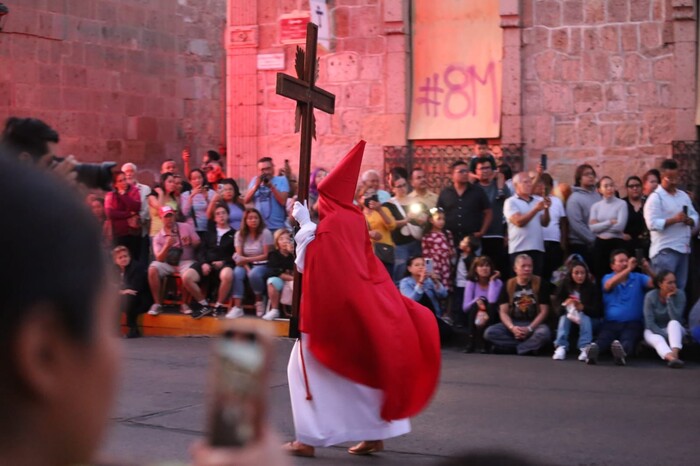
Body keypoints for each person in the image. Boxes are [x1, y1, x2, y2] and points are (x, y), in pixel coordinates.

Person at [283, 141, 440, 458]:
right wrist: (311, 228)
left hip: (329, 315)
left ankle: (307, 440)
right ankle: (374, 435)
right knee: (356, 374)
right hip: (355, 308)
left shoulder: (333, 225)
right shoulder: (353, 218)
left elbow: (309, 263)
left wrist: (304, 226)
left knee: (302, 372)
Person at [584, 250, 653, 366]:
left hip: (633, 322)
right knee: (604, 339)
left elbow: (656, 283)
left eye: (626, 261)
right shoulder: (607, 277)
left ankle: (620, 356)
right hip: (611, 322)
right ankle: (593, 353)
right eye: (621, 261)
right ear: (612, 266)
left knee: (627, 339)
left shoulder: (638, 277)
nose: (625, 263)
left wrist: (647, 269)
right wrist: (628, 269)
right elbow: (608, 285)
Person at [643, 159, 698, 291]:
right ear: (662, 177)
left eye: (676, 178)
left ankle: (677, 312)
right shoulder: (655, 198)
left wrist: (690, 221)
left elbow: (695, 215)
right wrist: (674, 220)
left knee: (679, 289)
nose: (674, 182)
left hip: (683, 249)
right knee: (664, 288)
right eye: (670, 178)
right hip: (665, 250)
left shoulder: (683, 196)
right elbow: (652, 223)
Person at [483, 254, 551, 355]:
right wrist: (512, 328)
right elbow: (503, 312)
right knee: (490, 333)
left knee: (544, 333)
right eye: (523, 266)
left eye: (530, 266)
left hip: (533, 324)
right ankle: (527, 348)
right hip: (513, 323)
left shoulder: (540, 283)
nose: (527, 269)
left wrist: (529, 329)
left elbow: (544, 311)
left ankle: (513, 349)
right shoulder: (508, 284)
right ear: (515, 269)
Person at [182, 203, 236, 319]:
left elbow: (235, 255)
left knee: (228, 274)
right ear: (214, 218)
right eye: (218, 214)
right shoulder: (208, 233)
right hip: (206, 263)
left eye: (223, 213)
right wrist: (204, 263)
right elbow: (201, 251)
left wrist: (224, 262)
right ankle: (204, 305)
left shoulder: (235, 234)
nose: (221, 216)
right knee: (187, 277)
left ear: (228, 215)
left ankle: (218, 305)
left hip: (224, 264)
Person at [146, 206, 201, 316]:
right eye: (166, 217)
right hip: (167, 263)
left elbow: (198, 242)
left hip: (186, 261)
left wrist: (190, 242)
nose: (169, 219)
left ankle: (184, 303)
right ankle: (157, 304)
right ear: (161, 218)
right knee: (152, 269)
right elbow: (159, 258)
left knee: (187, 272)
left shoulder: (186, 227)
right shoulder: (158, 237)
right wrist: (167, 245)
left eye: (171, 216)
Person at [227, 208, 273, 319]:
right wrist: (247, 268)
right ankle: (238, 307)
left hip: (263, 263)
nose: (253, 220)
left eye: (256, 218)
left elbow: (267, 255)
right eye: (250, 218)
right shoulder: (239, 234)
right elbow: (239, 256)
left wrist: (246, 261)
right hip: (245, 264)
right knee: (237, 273)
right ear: (245, 220)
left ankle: (259, 301)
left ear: (260, 220)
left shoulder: (265, 232)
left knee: (254, 274)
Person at [437, 159, 492, 252]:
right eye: (461, 171)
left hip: (472, 241)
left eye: (467, 171)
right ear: (452, 175)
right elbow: (438, 213)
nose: (465, 174)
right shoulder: (445, 193)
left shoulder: (477, 191)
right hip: (451, 240)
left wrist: (482, 232)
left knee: (473, 265)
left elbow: (488, 212)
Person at [551, 260, 601, 361]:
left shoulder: (592, 287)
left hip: (589, 321)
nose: (580, 276)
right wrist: (565, 304)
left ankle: (585, 347)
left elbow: (598, 311)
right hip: (570, 318)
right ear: (571, 274)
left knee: (583, 315)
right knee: (565, 316)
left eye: (582, 273)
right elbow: (557, 310)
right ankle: (561, 346)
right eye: (576, 273)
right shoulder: (565, 286)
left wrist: (583, 308)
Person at [503, 172, 551, 276]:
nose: (529, 184)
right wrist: (535, 209)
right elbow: (519, 222)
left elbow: (545, 223)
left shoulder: (537, 200)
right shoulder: (510, 202)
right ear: (516, 186)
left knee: (536, 282)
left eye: (530, 181)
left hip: (537, 247)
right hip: (519, 248)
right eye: (525, 182)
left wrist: (547, 209)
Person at [400, 256, 451, 342]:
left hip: (432, 316)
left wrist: (436, 281)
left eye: (423, 265)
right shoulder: (405, 282)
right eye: (417, 265)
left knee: (447, 332)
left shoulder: (429, 280)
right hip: (415, 318)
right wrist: (420, 282)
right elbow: (411, 301)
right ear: (409, 268)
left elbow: (443, 295)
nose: (421, 267)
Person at [475, 156, 510, 277]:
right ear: (476, 171)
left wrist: (507, 234)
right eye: (481, 168)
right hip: (479, 236)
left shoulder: (500, 187)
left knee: (497, 270)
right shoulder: (474, 188)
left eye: (487, 168)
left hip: (497, 235)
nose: (484, 171)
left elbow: (510, 209)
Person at [385, 175, 424, 283]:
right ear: (393, 188)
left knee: (417, 271)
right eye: (399, 186)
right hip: (399, 244)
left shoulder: (415, 201)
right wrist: (406, 220)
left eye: (404, 185)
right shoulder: (389, 205)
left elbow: (424, 218)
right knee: (400, 271)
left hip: (415, 241)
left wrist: (421, 218)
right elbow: (390, 224)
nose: (402, 188)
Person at [643, 271, 686, 368]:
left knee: (673, 323)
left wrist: (669, 300)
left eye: (674, 282)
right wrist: (665, 335)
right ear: (660, 284)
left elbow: (676, 318)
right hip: (654, 328)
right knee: (658, 339)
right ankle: (672, 359)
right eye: (669, 283)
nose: (673, 285)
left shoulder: (680, 295)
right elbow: (649, 322)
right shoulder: (650, 296)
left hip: (675, 330)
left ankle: (675, 353)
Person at [589, 176, 628, 281]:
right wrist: (609, 222)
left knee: (618, 276)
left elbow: (620, 226)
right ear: (599, 190)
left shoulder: (621, 204)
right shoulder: (595, 206)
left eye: (611, 185)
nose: (609, 188)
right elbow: (592, 228)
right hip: (600, 245)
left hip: (616, 243)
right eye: (606, 186)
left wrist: (600, 225)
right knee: (600, 276)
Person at [462, 256, 503, 353]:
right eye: (481, 266)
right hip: (475, 313)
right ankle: (471, 342)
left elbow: (492, 301)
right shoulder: (471, 283)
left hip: (492, 314)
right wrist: (477, 299)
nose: (484, 268)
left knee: (487, 304)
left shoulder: (498, 282)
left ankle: (486, 343)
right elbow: (465, 307)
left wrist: (492, 281)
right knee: (476, 305)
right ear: (475, 269)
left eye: (487, 266)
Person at [566, 164, 601, 267]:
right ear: (579, 179)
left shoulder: (598, 196)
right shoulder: (574, 198)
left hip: (598, 243)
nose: (590, 176)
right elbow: (576, 224)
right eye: (586, 174)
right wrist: (594, 239)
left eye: (592, 174)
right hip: (581, 245)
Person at [113, 246, 151, 339]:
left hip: (140, 299)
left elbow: (135, 287)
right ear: (115, 260)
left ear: (129, 257)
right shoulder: (114, 269)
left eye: (125, 256)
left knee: (128, 297)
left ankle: (133, 328)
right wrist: (122, 291)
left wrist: (119, 290)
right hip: (123, 297)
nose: (123, 259)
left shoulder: (137, 267)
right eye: (120, 257)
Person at [244, 157, 290, 233]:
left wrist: (271, 186)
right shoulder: (255, 181)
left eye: (267, 168)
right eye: (262, 170)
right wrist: (256, 186)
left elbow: (283, 201)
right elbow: (246, 200)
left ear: (273, 168)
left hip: (277, 227)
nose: (265, 172)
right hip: (259, 227)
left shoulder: (282, 180)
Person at [105, 170, 143, 261]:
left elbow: (136, 207)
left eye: (124, 179)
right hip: (118, 234)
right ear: (115, 184)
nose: (124, 182)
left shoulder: (134, 191)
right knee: (119, 260)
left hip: (133, 232)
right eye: (120, 181)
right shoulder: (110, 195)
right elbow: (110, 213)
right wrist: (129, 214)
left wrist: (124, 195)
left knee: (134, 259)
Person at [361, 187, 397, 275]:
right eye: (367, 194)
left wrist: (379, 210)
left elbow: (392, 226)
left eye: (373, 194)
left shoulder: (384, 209)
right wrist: (369, 234)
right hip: (368, 254)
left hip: (384, 252)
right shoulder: (359, 214)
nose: (370, 197)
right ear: (361, 198)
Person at [262, 229, 295, 321]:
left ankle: (297, 312)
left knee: (295, 285)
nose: (285, 241)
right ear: (277, 242)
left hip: (293, 280)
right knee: (271, 281)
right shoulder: (273, 254)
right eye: (281, 239)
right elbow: (274, 271)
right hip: (283, 279)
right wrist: (291, 277)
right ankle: (274, 310)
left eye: (287, 239)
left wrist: (292, 253)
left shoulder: (296, 253)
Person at [421, 208, 456, 295]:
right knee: (436, 288)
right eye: (438, 219)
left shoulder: (447, 233)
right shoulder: (427, 236)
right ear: (431, 220)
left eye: (443, 219)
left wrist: (451, 254)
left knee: (447, 289)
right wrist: (429, 271)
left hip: (446, 266)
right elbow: (426, 256)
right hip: (435, 266)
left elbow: (452, 250)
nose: (442, 222)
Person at [122, 162, 152, 260]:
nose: (129, 174)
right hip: (124, 231)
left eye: (131, 171)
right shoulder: (118, 190)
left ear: (136, 173)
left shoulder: (145, 189)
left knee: (141, 259)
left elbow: (147, 208)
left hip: (141, 229)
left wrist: (138, 218)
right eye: (126, 172)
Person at [451, 235, 479, 328]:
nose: (461, 242)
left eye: (464, 241)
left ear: (468, 248)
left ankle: (463, 322)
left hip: (466, 285)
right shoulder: (460, 255)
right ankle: (458, 320)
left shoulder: (472, 259)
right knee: (457, 302)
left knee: (462, 302)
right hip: (458, 283)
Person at [180, 168, 216, 242]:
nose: (197, 181)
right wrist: (191, 196)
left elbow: (214, 212)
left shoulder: (211, 193)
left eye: (199, 178)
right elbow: (184, 213)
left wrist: (206, 197)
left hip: (208, 228)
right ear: (190, 181)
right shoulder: (185, 195)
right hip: (193, 229)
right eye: (194, 179)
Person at [622, 175, 650, 258]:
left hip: (645, 243)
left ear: (642, 187)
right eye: (631, 186)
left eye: (637, 186)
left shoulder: (648, 202)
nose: (635, 188)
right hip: (626, 244)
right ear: (626, 189)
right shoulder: (622, 204)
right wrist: (620, 234)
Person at [148, 172, 180, 240]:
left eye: (174, 182)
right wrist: (161, 194)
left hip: (171, 234)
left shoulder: (174, 198)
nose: (172, 184)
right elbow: (161, 209)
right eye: (170, 182)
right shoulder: (153, 197)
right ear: (163, 182)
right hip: (156, 233)